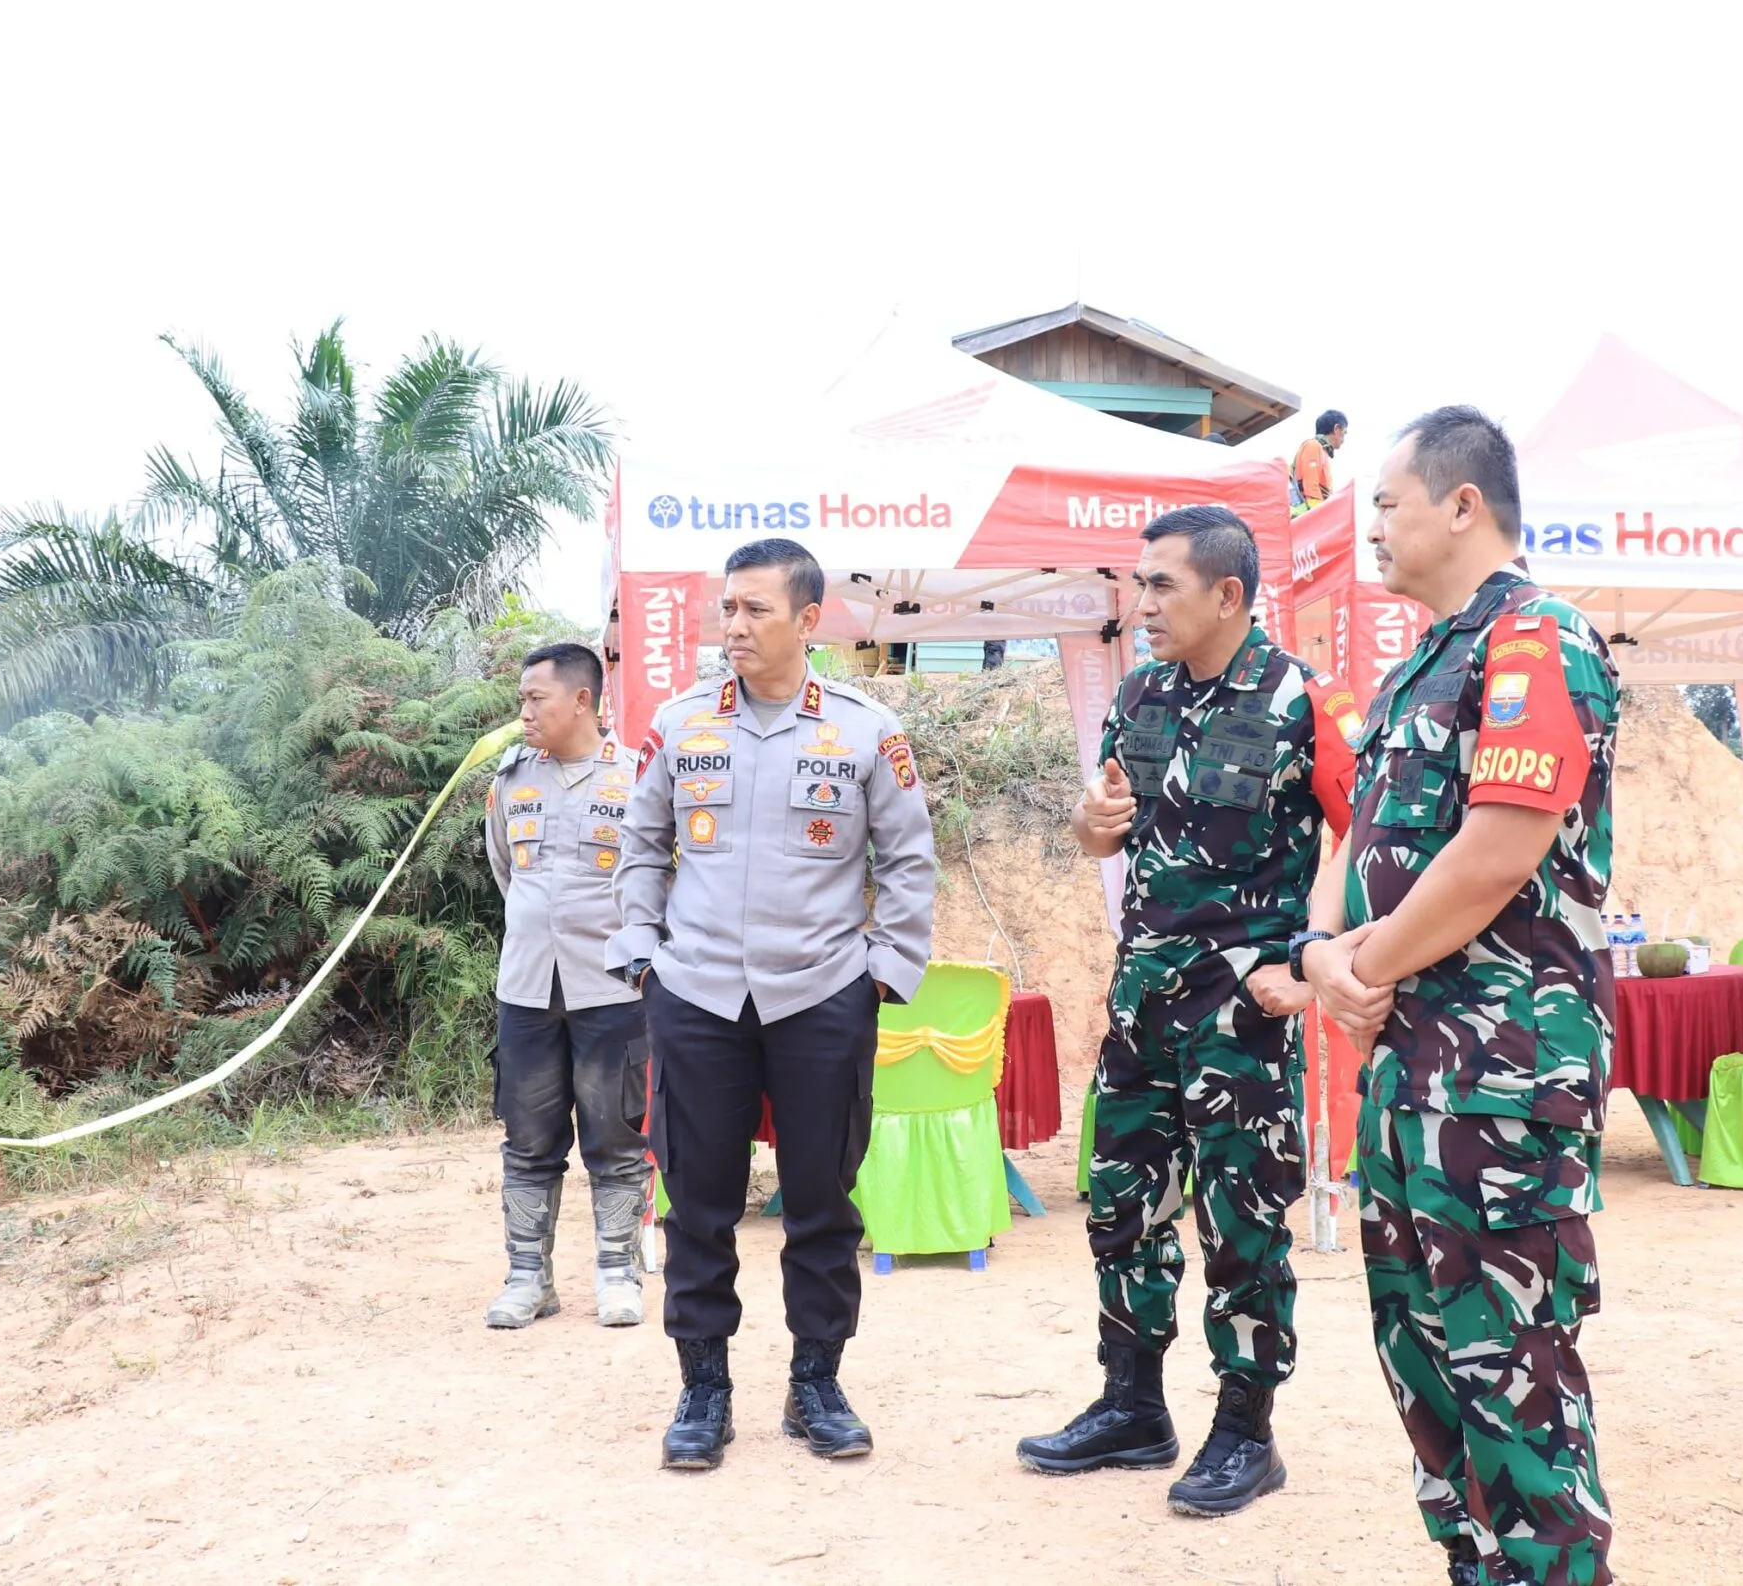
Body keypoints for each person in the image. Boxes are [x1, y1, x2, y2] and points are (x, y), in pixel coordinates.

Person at [1291, 407, 1620, 1585]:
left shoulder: (1535, 642)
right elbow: (1358, 841)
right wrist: (1321, 954)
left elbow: (1495, 855)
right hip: (1410, 1072)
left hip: (1500, 1078)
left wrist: (1362, 968)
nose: (1372, 527)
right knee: (1424, 1358)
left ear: (1462, 505)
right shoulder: (1421, 665)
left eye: (1386, 503)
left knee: (1510, 1371)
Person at [1014, 505, 1359, 1518]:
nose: (1143, 604)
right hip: (1142, 1001)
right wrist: (1091, 822)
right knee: (1122, 1207)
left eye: (1161, 584)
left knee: (1241, 1223)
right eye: (1139, 584)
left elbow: (1365, 841)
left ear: (1228, 594)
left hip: (1240, 1012)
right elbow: (1101, 833)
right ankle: (1132, 1406)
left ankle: (1246, 1430)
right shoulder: (1140, 694)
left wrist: (1311, 966)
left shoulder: (1303, 699)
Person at [607, 538, 937, 1472]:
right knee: (697, 1201)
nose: (736, 625)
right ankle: (703, 1388)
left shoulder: (867, 731)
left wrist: (882, 973)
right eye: (729, 607)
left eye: (756, 609)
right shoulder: (680, 725)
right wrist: (643, 957)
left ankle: (816, 1383)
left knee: (823, 1201)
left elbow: (908, 858)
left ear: (808, 620)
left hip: (823, 994)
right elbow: (642, 846)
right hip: (697, 993)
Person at [482, 641, 651, 1331]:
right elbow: (505, 868)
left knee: (615, 1136)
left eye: (536, 698)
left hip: (612, 987)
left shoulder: (637, 778)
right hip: (526, 986)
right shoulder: (510, 779)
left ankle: (618, 1273)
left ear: (582, 700)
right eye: (522, 699)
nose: (524, 712)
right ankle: (529, 1278)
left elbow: (659, 879)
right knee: (528, 1138)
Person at [1291, 409, 1348, 509]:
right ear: (1337, 429)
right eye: (1344, 432)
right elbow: (1311, 488)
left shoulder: (1321, 450)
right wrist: (1319, 514)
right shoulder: (1314, 446)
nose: (1344, 439)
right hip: (1308, 511)